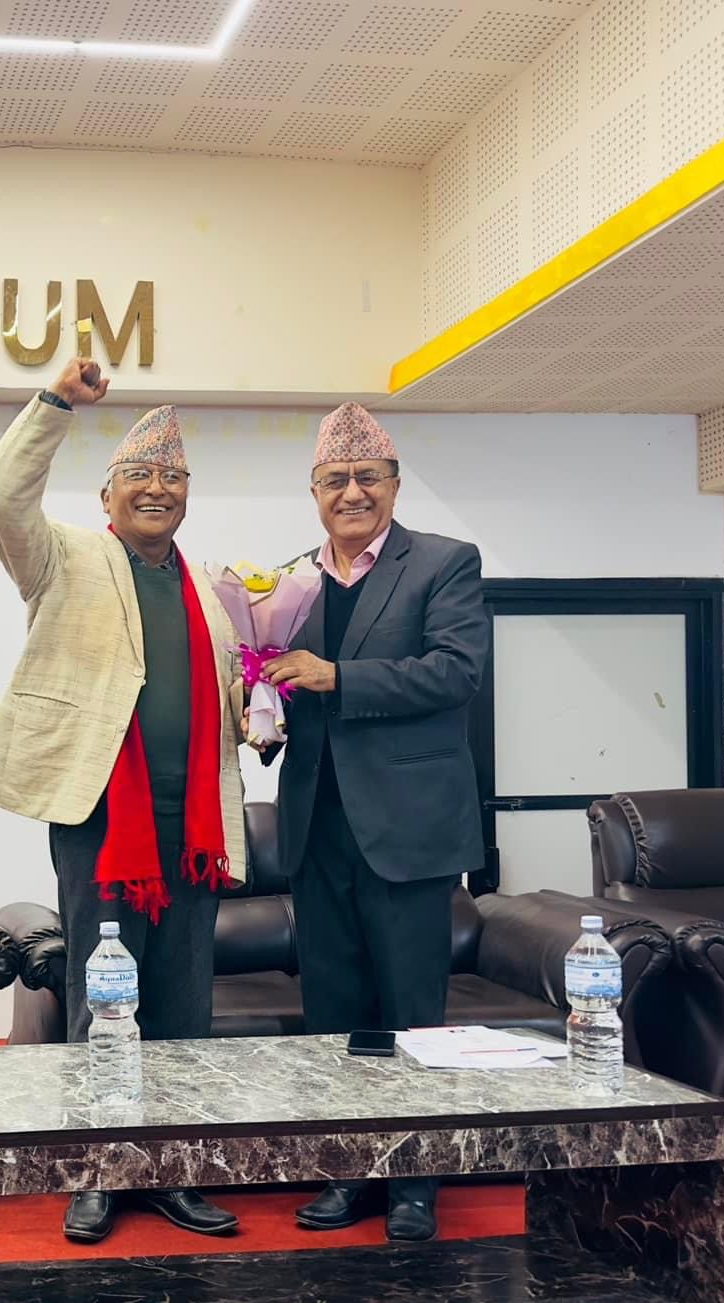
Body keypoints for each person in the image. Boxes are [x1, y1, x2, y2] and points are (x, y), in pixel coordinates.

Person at [0, 357, 247, 1246]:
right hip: (102, 821)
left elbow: (227, 697)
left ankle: (172, 1172)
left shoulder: (210, 590)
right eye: (139, 474)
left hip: (193, 828)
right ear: (107, 495)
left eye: (172, 476)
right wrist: (56, 402)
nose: (157, 488)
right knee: (105, 1000)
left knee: (184, 1008)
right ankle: (97, 1170)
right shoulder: (66, 558)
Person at [260, 403, 489, 1242]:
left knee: (411, 1013)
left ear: (393, 485)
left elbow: (456, 672)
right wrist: (264, 712)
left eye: (367, 477)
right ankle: (349, 1171)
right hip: (318, 826)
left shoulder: (443, 562)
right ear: (314, 492)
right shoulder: (291, 581)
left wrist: (336, 678)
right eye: (335, 480)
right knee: (335, 1014)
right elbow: (284, 678)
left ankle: (415, 1183)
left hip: (408, 830)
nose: (351, 492)